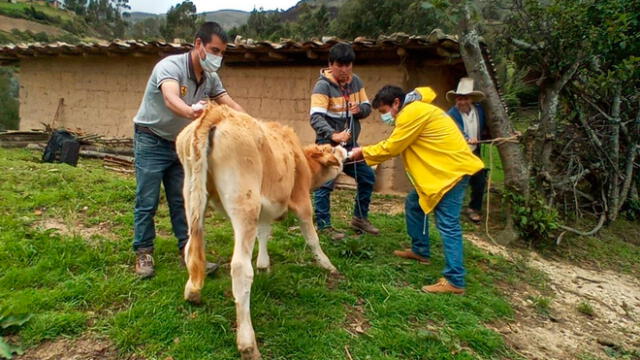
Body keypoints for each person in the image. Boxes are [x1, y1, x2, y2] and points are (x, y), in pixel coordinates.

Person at [132, 22, 245, 278]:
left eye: (221, 53)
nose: (217, 57)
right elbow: (171, 98)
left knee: (183, 200)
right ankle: (143, 252)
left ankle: (189, 252)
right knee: (147, 200)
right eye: (214, 50)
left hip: (181, 145)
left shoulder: (210, 77)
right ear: (198, 44)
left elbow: (229, 103)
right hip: (151, 140)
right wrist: (190, 111)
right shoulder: (170, 67)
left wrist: (253, 126)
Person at [349, 85, 484, 294]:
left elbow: (393, 147)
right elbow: (427, 91)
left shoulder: (410, 113)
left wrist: (363, 152)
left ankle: (455, 280)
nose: (385, 117)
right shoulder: (416, 105)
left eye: (385, 112)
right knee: (414, 204)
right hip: (442, 172)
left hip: (451, 174)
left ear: (396, 103)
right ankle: (420, 250)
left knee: (448, 224)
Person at [309, 42, 379, 240]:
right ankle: (324, 226)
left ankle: (359, 218)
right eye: (340, 65)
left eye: (348, 65)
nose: (345, 70)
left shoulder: (355, 82)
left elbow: (367, 106)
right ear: (331, 64)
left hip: (351, 146)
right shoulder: (322, 86)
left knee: (367, 178)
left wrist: (361, 110)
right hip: (329, 147)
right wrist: (333, 135)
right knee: (325, 186)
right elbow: (315, 117)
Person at [446, 77, 489, 223]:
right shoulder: (451, 114)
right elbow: (455, 131)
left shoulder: (479, 111)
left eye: (465, 98)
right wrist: (466, 138)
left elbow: (486, 127)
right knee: (456, 181)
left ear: (471, 99)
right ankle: (450, 208)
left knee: (480, 180)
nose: (462, 102)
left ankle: (473, 208)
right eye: (459, 98)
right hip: (458, 153)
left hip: (474, 151)